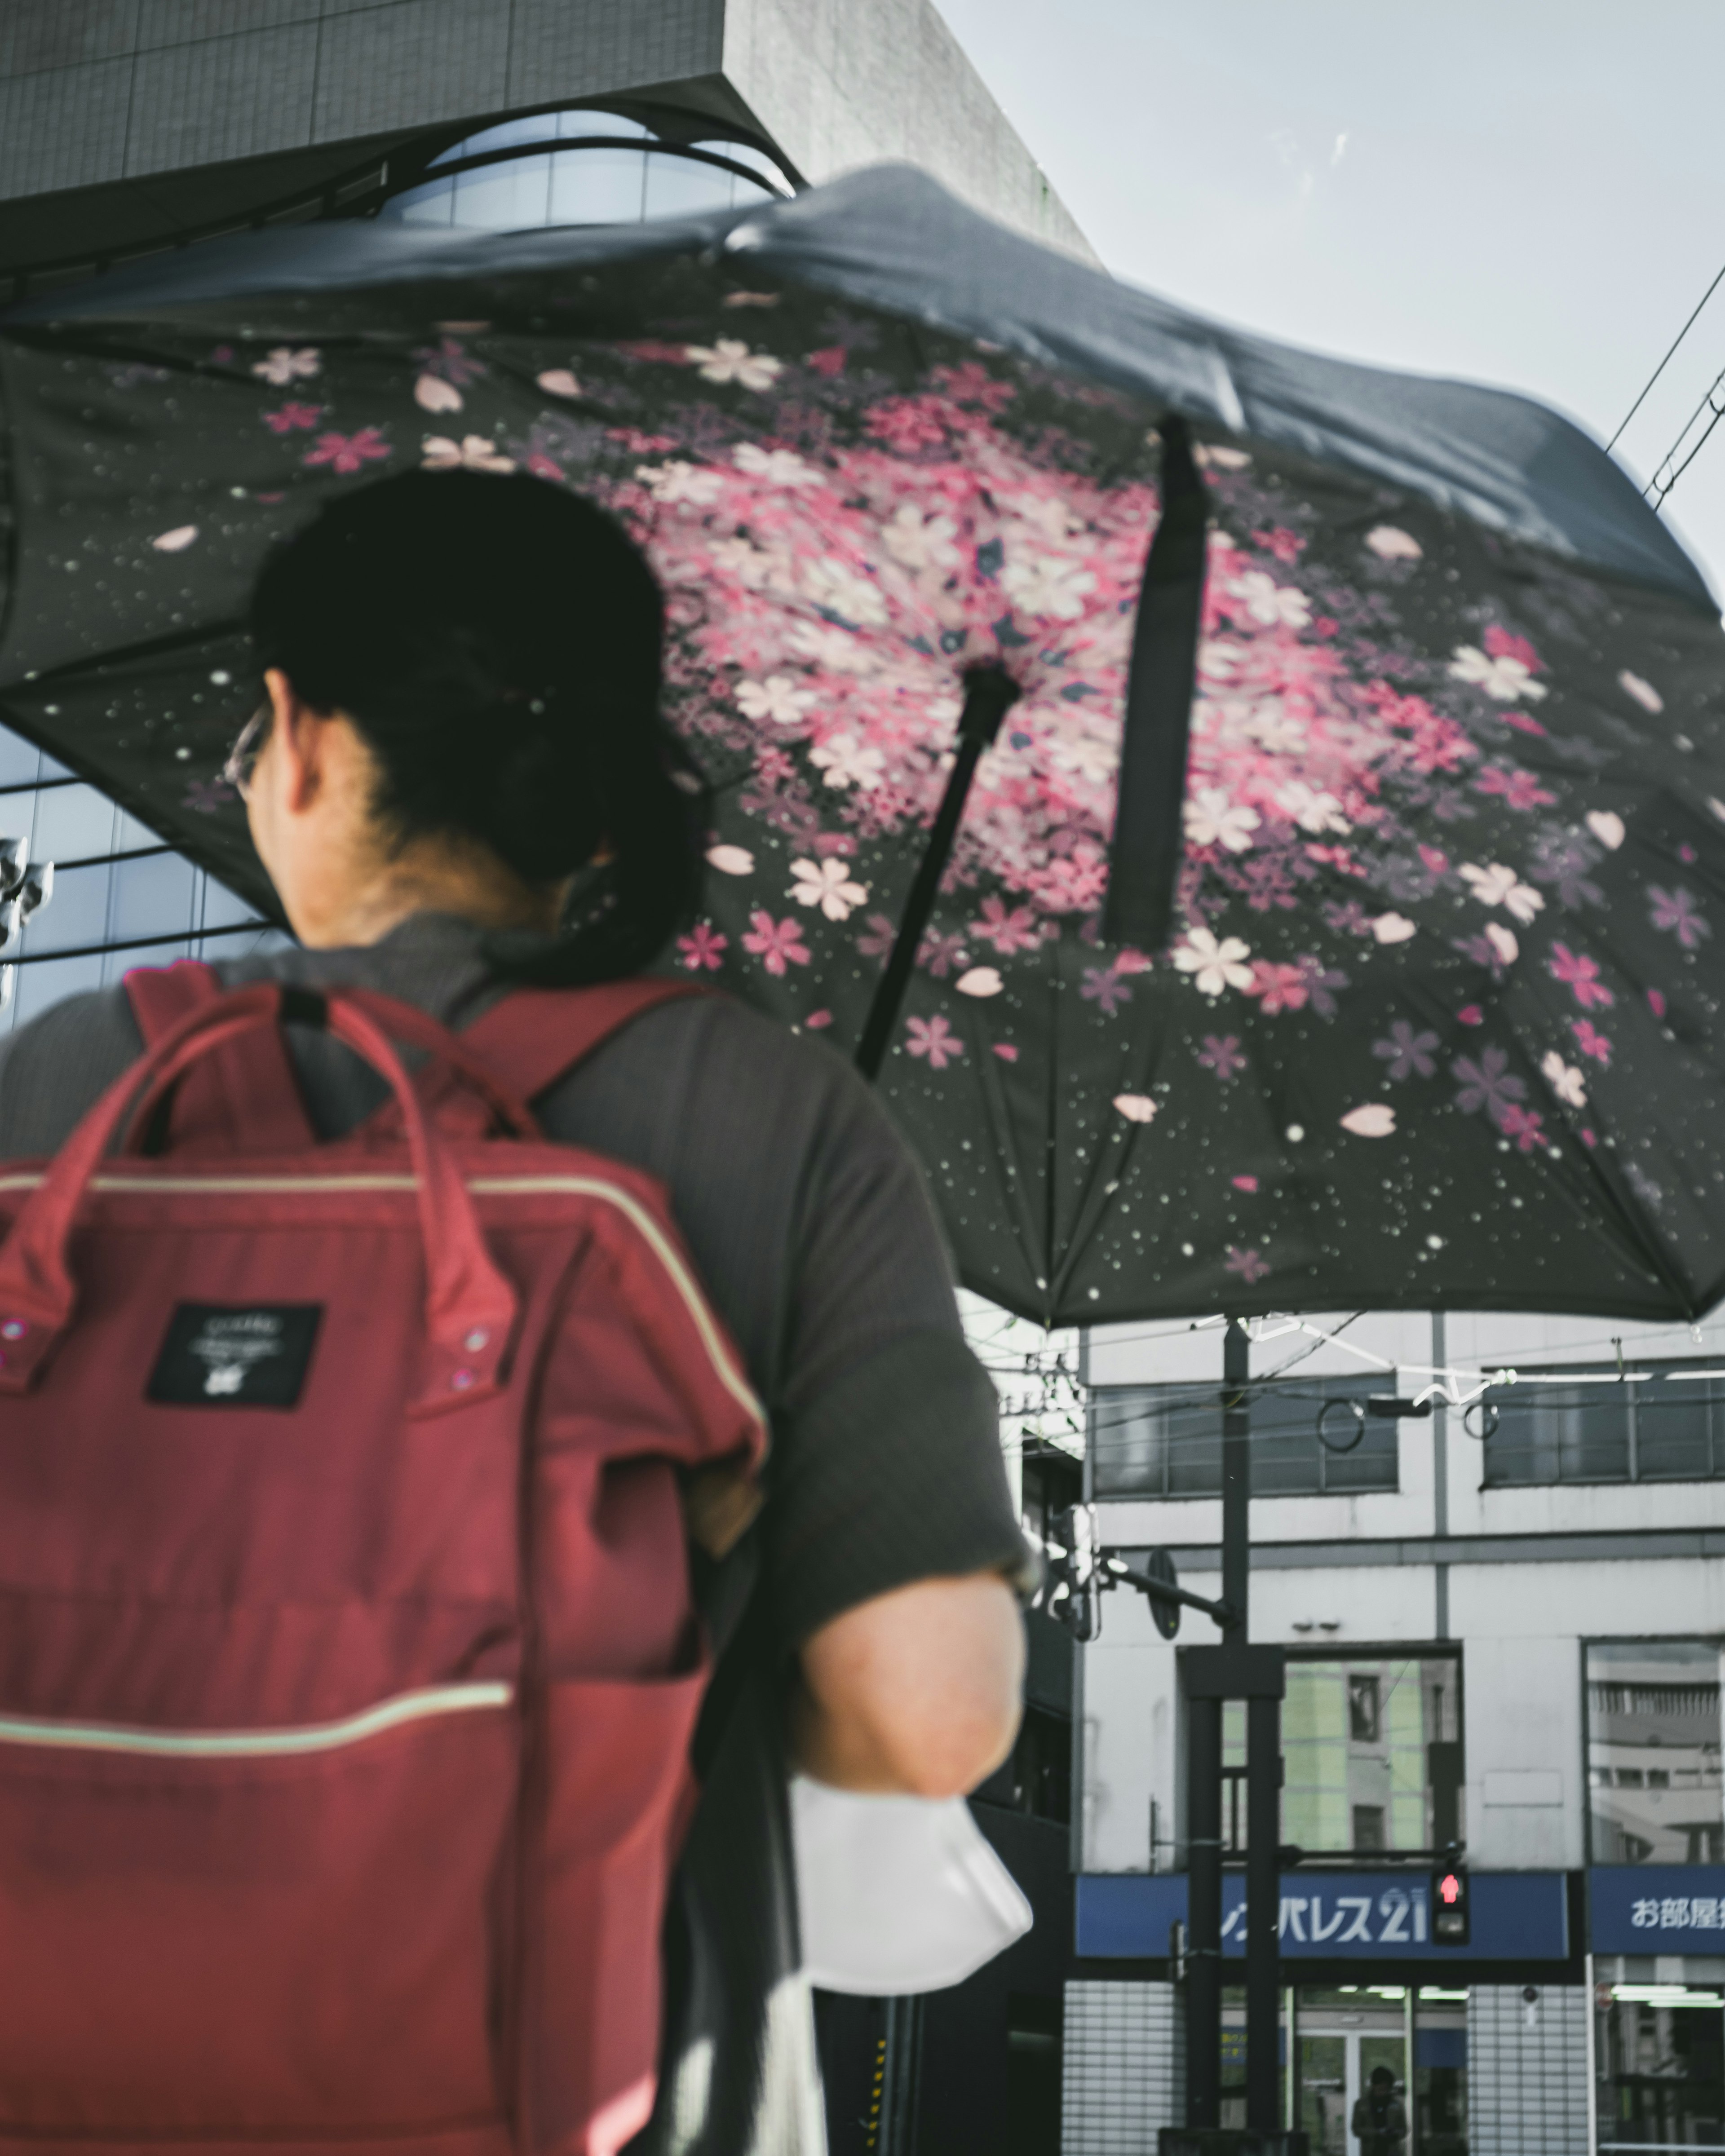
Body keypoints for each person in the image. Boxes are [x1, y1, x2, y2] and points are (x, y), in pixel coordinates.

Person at [0, 469, 1032, 2153]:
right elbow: (934, 1705)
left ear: (302, 737)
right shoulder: (773, 1121)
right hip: (601, 2083)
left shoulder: (70, 1084)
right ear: (604, 798)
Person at [1351, 2064, 1409, 2156]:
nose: (1384, 2093)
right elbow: (1356, 2129)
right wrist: (1377, 2133)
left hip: (1392, 2151)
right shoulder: (1362, 2105)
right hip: (1370, 2151)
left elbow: (1404, 2130)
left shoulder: (1396, 2104)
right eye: (1381, 2089)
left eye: (1387, 2089)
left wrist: (1393, 2133)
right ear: (1374, 2086)